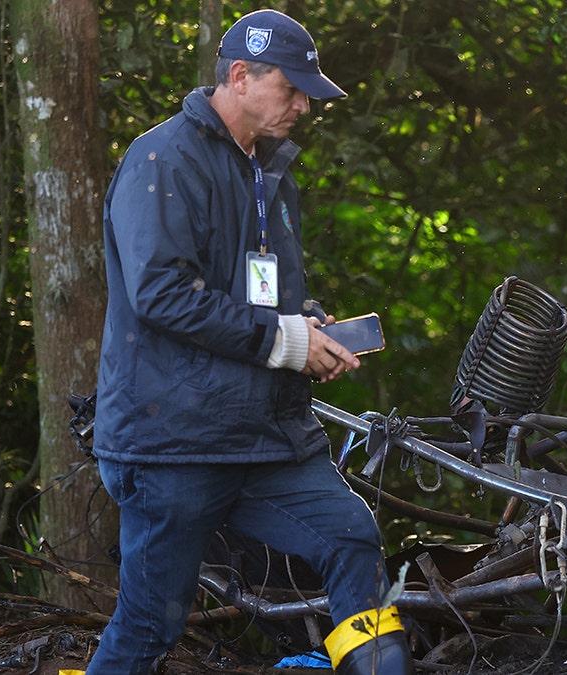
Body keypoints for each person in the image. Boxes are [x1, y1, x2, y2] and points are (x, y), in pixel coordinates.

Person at [88, 9, 413, 675]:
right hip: (173, 445)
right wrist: (284, 340)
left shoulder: (267, 169)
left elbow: (266, 296)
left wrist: (309, 327)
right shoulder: (162, 158)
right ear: (240, 76)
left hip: (268, 439)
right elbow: (161, 295)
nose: (303, 106)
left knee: (353, 537)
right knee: (151, 624)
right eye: (291, 90)